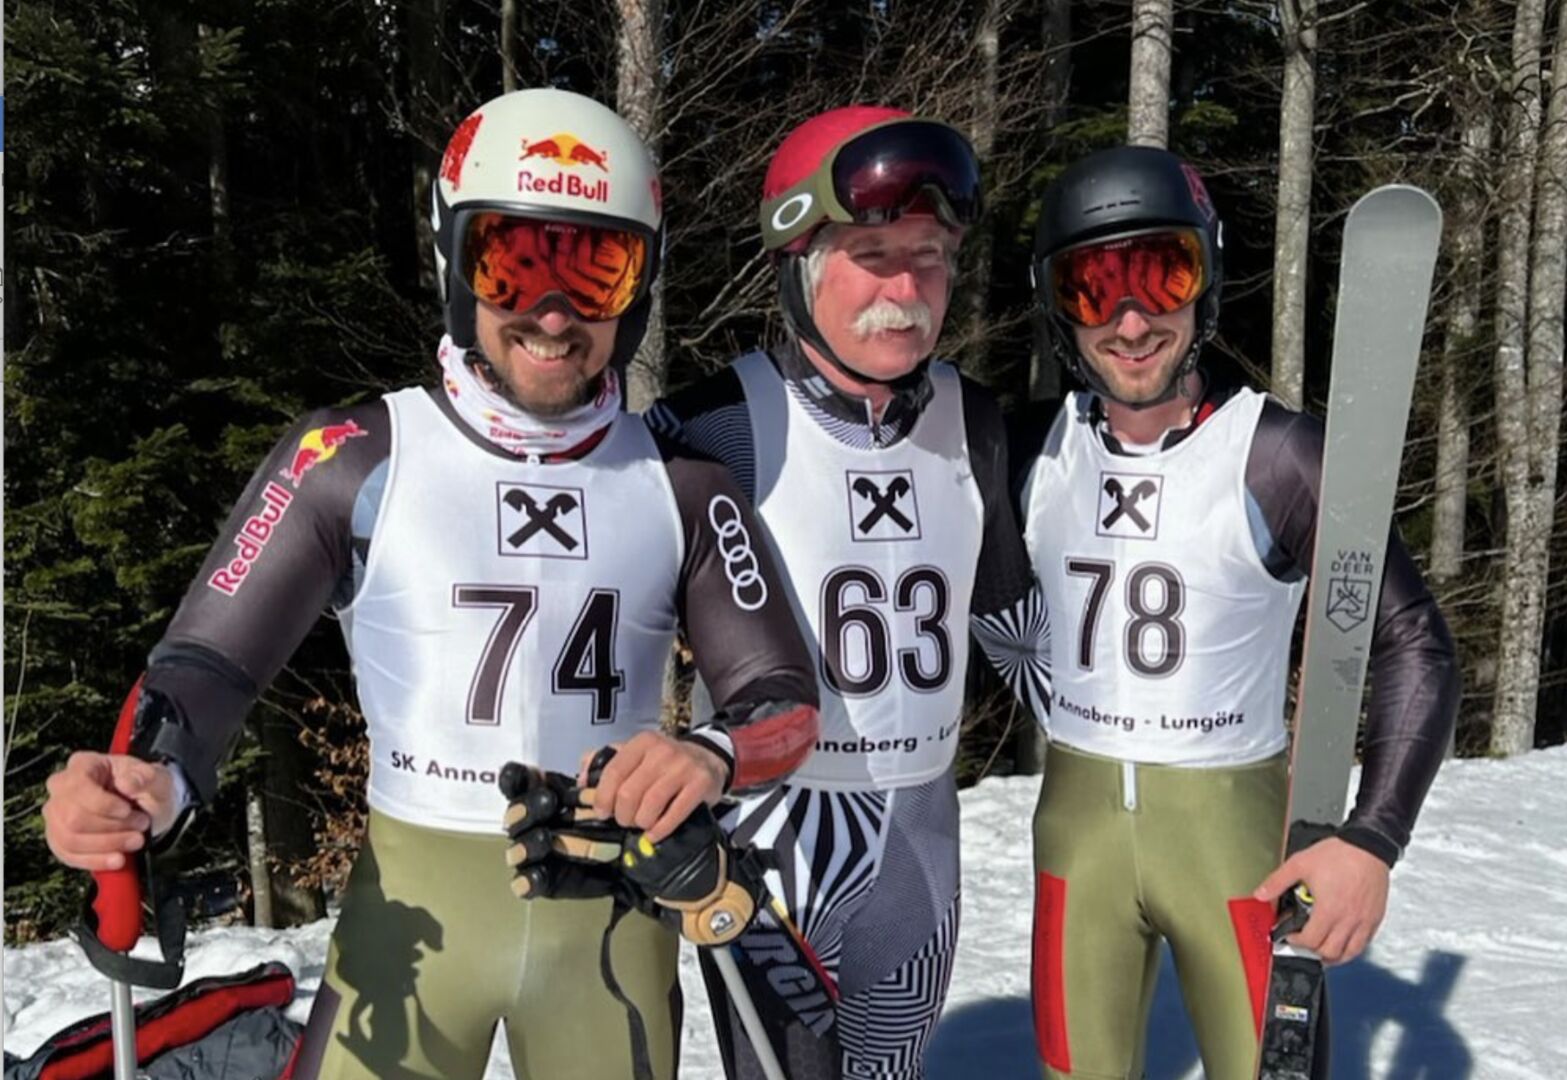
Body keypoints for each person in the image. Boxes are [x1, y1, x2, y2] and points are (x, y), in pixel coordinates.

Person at [40, 87, 820, 1080]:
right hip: (412, 929)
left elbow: (781, 700)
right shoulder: (350, 455)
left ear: (641, 286)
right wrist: (151, 775)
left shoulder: (683, 482)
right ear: (455, 260)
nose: (551, 310)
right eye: (514, 259)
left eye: (596, 268)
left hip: (611, 927)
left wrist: (708, 753)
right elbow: (210, 661)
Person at [1014, 144, 1460, 1080]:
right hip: (1075, 836)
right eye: (1093, 285)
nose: (1131, 319)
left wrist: (1370, 840)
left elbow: (1411, 640)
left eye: (1161, 272)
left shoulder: (1275, 453)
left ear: (1205, 278)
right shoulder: (1029, 449)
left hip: (1235, 840)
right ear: (1055, 302)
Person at [646, 106, 1049, 1079]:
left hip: (920, 835)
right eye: (874, 254)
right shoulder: (708, 428)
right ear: (799, 261)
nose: (908, 290)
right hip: (773, 837)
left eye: (931, 255)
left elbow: (1023, 642)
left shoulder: (977, 421)